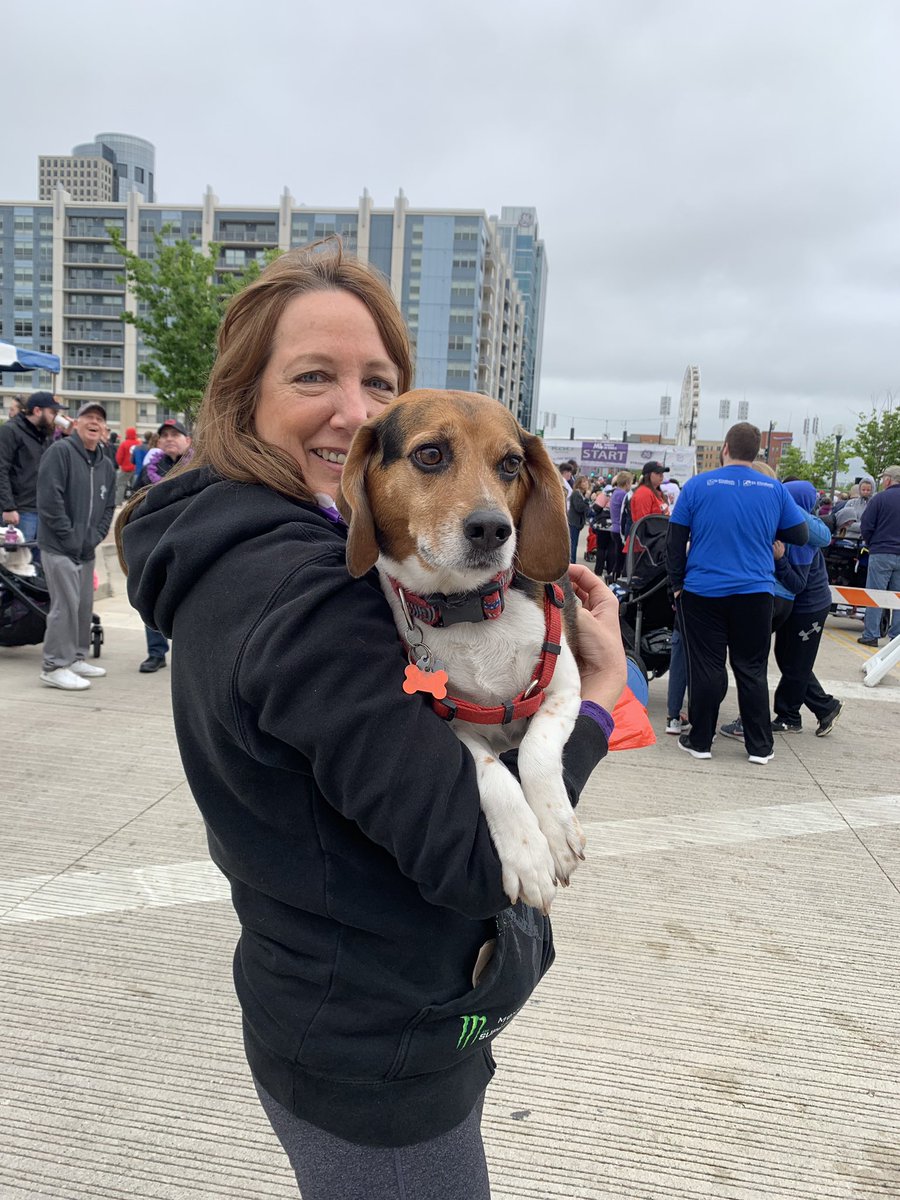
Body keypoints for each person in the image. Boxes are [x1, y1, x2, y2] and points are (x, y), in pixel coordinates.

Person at [117, 245, 626, 1199]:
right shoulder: (303, 592)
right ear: (242, 396)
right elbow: (479, 860)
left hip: (334, 1002)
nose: (355, 409)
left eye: (378, 381)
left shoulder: (238, 541)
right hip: (376, 1059)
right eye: (314, 376)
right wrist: (599, 702)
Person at [666, 422, 808, 765]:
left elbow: (674, 540)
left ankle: (700, 740)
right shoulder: (773, 489)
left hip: (702, 591)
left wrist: (677, 584)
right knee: (752, 668)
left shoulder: (698, 486)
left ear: (725, 448)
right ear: (757, 452)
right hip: (756, 591)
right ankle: (760, 746)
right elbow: (800, 534)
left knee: (706, 668)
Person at [36, 401, 115, 691]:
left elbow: (109, 505)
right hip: (59, 547)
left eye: (99, 419)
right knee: (65, 606)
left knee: (82, 606)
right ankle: (54, 665)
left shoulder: (105, 463)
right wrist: (69, 537)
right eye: (88, 417)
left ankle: (77, 656)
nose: (94, 422)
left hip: (86, 548)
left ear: (104, 428)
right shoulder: (60, 453)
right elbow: (49, 501)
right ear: (76, 423)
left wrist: (95, 536)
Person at [763, 481, 844, 736]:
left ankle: (790, 716)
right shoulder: (800, 527)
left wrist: (780, 560)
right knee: (789, 658)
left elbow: (797, 583)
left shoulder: (801, 538)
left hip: (810, 607)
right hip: (801, 607)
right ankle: (825, 706)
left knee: (795, 663)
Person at [136, 419, 193, 673]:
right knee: (151, 595)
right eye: (165, 435)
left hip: (189, 543)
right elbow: (136, 505)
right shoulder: (148, 469)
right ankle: (156, 653)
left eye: (175, 434)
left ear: (188, 440)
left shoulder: (199, 468)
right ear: (158, 442)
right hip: (156, 543)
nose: (170, 438)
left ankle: (189, 654)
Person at [0, 390, 61, 559]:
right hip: (19, 510)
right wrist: (8, 507)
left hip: (41, 509)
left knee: (36, 563)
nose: (55, 417)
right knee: (15, 562)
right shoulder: (10, 431)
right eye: (53, 412)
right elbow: (1, 469)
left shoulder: (45, 436)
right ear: (37, 411)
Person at [858, 464, 900, 646]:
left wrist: (871, 543)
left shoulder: (879, 499)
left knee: (875, 595)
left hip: (882, 551)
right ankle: (896, 637)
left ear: (889, 480)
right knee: (898, 599)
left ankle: (871, 635)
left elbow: (866, 525)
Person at [629, 461, 670, 526]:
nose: (661, 475)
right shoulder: (643, 492)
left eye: (662, 473)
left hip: (658, 534)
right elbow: (642, 523)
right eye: (658, 473)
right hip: (648, 535)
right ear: (648, 475)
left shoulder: (657, 492)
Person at [609, 470, 632, 578]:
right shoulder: (623, 495)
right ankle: (616, 579)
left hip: (614, 528)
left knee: (617, 558)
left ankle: (613, 577)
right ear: (627, 483)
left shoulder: (615, 492)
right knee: (621, 560)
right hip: (620, 530)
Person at [115, 426, 142, 504]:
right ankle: (135, 502)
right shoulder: (139, 443)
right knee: (135, 486)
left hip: (126, 468)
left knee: (121, 485)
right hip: (136, 468)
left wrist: (121, 463)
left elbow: (119, 457)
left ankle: (118, 502)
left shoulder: (124, 444)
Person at [567, 473, 590, 562]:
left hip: (577, 522)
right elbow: (579, 508)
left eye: (586, 482)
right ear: (579, 483)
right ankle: (572, 562)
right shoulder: (576, 493)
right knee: (573, 544)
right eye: (584, 482)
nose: (586, 484)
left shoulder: (580, 494)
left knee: (574, 543)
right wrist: (587, 499)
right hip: (574, 522)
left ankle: (572, 561)